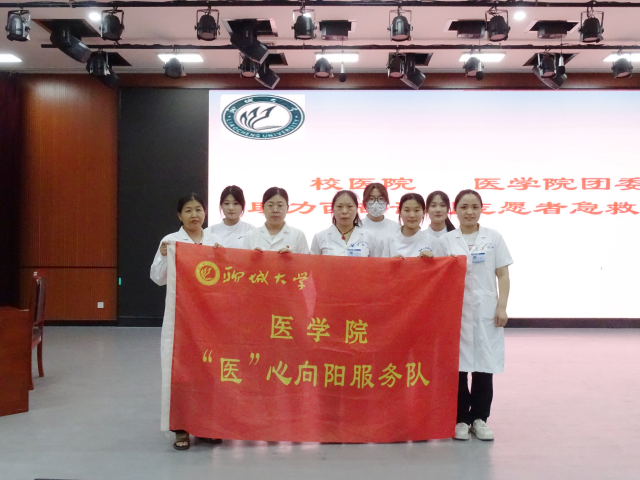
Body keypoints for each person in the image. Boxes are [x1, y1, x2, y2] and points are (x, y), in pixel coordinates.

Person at [150, 193, 224, 451]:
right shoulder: (171, 241)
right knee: (181, 373)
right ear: (179, 215)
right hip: (181, 318)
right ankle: (181, 427)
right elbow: (157, 278)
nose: (195, 215)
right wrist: (163, 256)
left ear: (205, 212)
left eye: (199, 209)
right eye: (189, 210)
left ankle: (205, 426)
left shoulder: (215, 241)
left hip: (209, 318)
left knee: (207, 372)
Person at [438, 189, 513, 442]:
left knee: (484, 366)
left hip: (485, 310)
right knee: (458, 368)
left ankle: (480, 419)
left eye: (474, 207)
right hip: (455, 310)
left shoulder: (493, 237)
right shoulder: (446, 240)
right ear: (455, 210)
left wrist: (502, 306)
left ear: (481, 209)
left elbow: (503, 274)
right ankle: (461, 419)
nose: (469, 212)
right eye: (463, 207)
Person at [311, 190, 381, 256]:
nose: (344, 211)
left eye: (349, 206)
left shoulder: (369, 237)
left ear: (356, 209)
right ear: (332, 209)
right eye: (339, 206)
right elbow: (313, 263)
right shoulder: (320, 237)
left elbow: (376, 263)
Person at [242, 187, 309, 254]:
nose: (275, 210)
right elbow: (243, 260)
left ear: (287, 208)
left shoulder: (298, 235)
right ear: (263, 208)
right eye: (270, 205)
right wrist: (251, 257)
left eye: (280, 205)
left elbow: (306, 260)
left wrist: (293, 258)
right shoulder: (250, 236)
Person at [381, 193, 438, 259]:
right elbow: (383, 265)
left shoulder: (433, 241)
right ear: (400, 212)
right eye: (407, 210)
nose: (412, 215)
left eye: (416, 210)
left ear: (423, 212)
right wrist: (392, 263)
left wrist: (430, 261)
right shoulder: (389, 241)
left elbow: (440, 264)